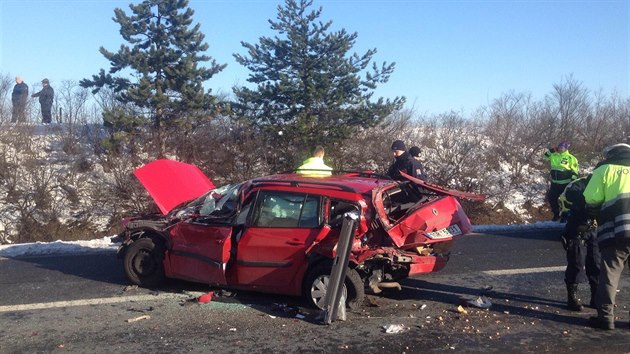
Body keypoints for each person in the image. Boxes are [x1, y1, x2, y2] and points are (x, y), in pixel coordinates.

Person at [584, 143, 630, 330]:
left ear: (611, 153)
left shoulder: (604, 169)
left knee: (610, 273)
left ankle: (605, 317)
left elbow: (591, 198)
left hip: (616, 230)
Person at [557, 175, 600, 311]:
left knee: (596, 263)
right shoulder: (576, 186)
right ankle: (572, 297)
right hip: (577, 228)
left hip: (594, 229)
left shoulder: (603, 186)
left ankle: (596, 297)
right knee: (576, 263)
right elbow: (563, 205)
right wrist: (577, 218)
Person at [544, 141, 579, 221]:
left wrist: (572, 182)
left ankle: (566, 216)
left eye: (562, 147)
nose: (560, 149)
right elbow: (545, 156)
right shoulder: (554, 155)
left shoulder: (571, 158)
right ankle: (557, 214)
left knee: (566, 200)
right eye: (559, 147)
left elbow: (575, 171)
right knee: (551, 198)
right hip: (555, 183)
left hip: (565, 183)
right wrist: (552, 150)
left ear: (566, 148)